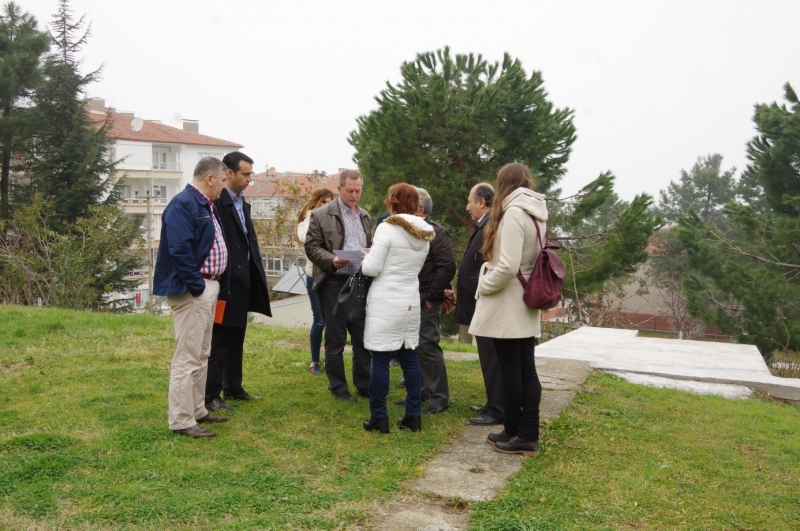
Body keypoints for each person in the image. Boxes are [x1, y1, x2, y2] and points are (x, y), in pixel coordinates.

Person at [469, 163, 547, 456]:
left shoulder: (514, 213)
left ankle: (521, 433)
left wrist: (484, 285)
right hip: (525, 299)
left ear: (504, 184)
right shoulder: (535, 211)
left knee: (513, 371)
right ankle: (519, 431)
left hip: (508, 300)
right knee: (525, 369)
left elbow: (508, 266)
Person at [154, 157, 230, 438]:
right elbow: (180, 251)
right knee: (186, 357)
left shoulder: (205, 205)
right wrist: (197, 287)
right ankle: (182, 420)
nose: (224, 188)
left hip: (208, 288)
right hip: (193, 290)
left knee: (201, 352)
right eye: (223, 181)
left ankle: (198, 410)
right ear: (210, 178)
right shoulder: (183, 204)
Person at [361, 183, 435, 433]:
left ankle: (379, 416)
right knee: (409, 356)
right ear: (416, 205)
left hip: (386, 299)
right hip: (410, 300)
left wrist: (365, 259)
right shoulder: (424, 232)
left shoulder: (387, 228)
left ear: (391, 202)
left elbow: (372, 268)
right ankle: (413, 415)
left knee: (380, 358)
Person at [205, 152, 272, 412]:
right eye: (245, 174)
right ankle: (211, 394)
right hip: (224, 280)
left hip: (243, 279)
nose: (249, 180)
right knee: (219, 340)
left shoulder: (242, 202)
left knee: (237, 336)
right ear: (229, 173)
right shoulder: (216, 202)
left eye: (251, 174)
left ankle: (234, 386)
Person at [304, 169, 373, 402]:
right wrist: (331, 260)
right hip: (333, 281)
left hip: (360, 281)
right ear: (339, 188)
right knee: (335, 338)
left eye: (358, 190)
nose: (354, 195)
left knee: (362, 336)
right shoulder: (322, 214)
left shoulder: (364, 216)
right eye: (349, 191)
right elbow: (311, 247)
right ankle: (338, 387)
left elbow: (370, 244)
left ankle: (363, 384)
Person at [455, 183, 505, 426]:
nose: (467, 206)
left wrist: (480, 289)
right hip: (478, 300)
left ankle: (497, 409)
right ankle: (492, 402)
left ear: (482, 202)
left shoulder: (491, 225)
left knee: (492, 356)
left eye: (469, 200)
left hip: (485, 301)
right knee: (486, 355)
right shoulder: (484, 224)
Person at [411, 187, 456, 414]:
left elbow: (447, 266)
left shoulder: (436, 233)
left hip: (425, 298)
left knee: (428, 346)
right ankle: (421, 392)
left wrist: (431, 297)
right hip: (409, 297)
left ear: (419, 209)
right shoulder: (408, 230)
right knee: (414, 347)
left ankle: (439, 398)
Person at [296, 188, 335, 376]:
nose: (327, 206)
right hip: (314, 275)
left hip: (333, 275)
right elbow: (306, 239)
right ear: (315, 203)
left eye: (330, 202)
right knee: (319, 320)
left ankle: (330, 359)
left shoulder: (333, 221)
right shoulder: (306, 222)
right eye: (324, 202)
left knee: (332, 321)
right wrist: (311, 218)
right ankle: (314, 362)